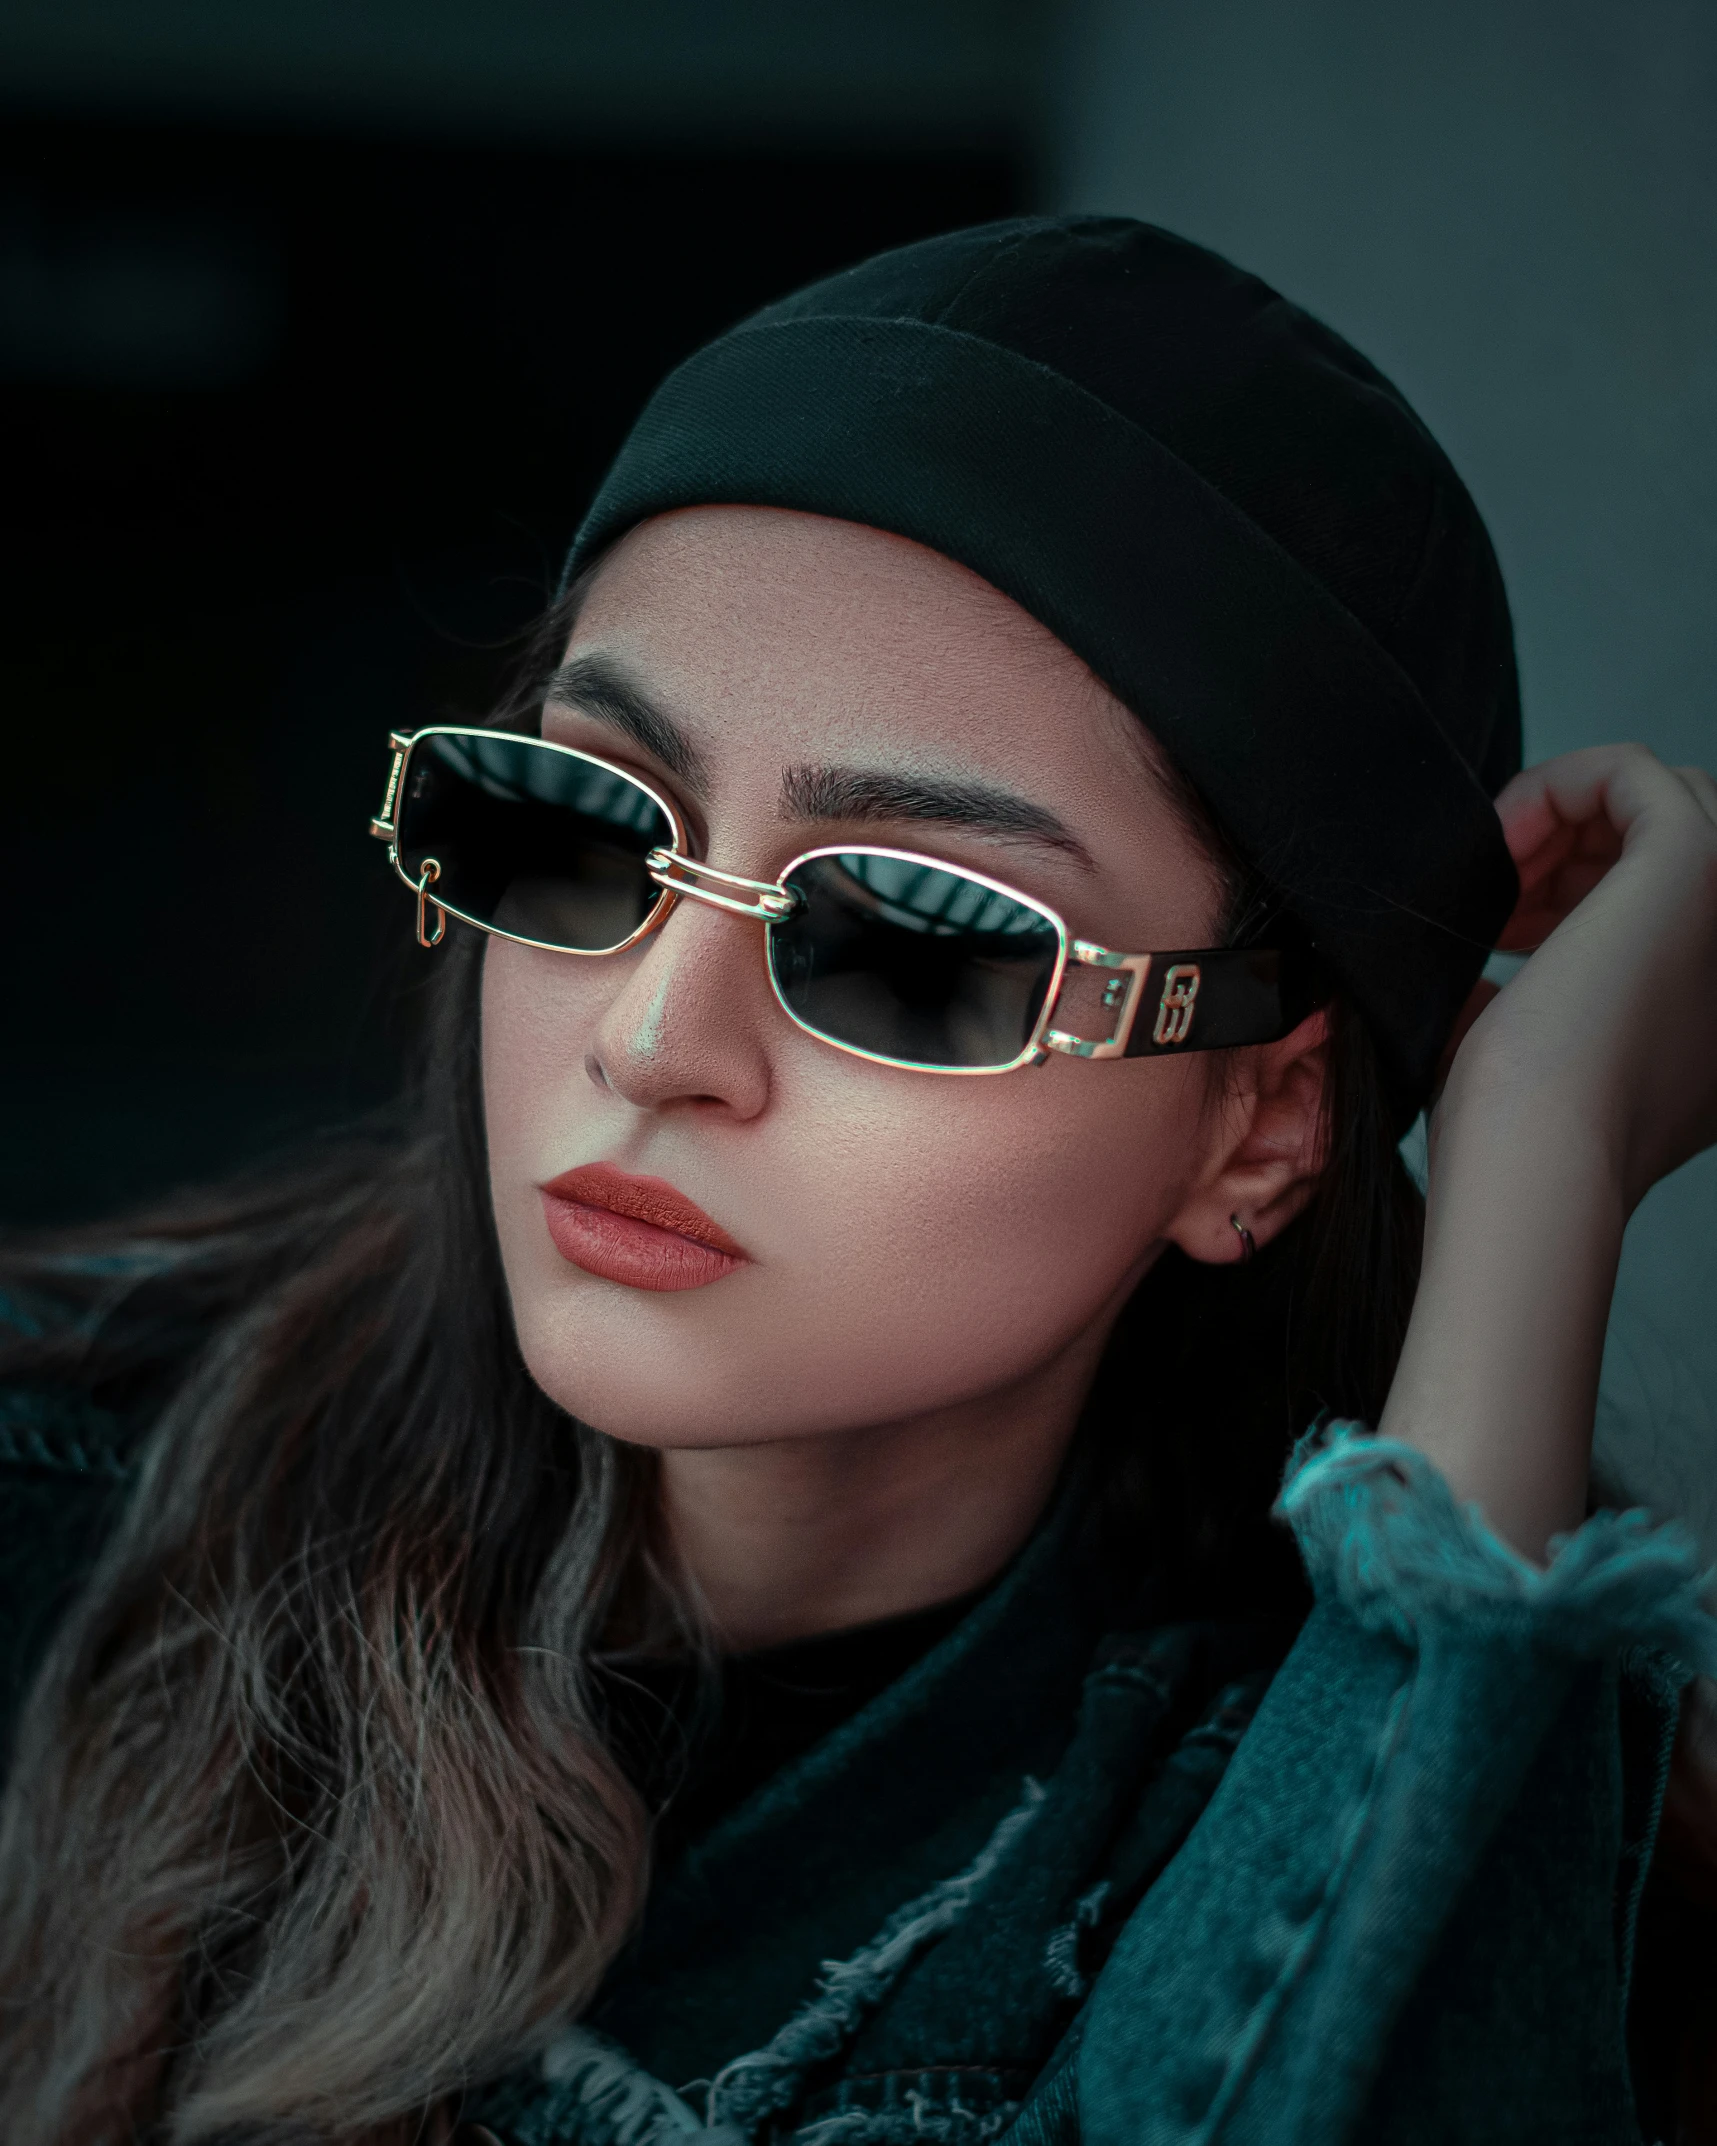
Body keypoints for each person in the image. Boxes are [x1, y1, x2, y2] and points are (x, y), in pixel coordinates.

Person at [0, 217, 1714, 2146]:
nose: (653, 1043)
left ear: (1263, 1132)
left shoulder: (1324, 1809)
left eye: (917, 935)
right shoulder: (57, 1529)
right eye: (586, 822)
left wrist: (1545, 1165)